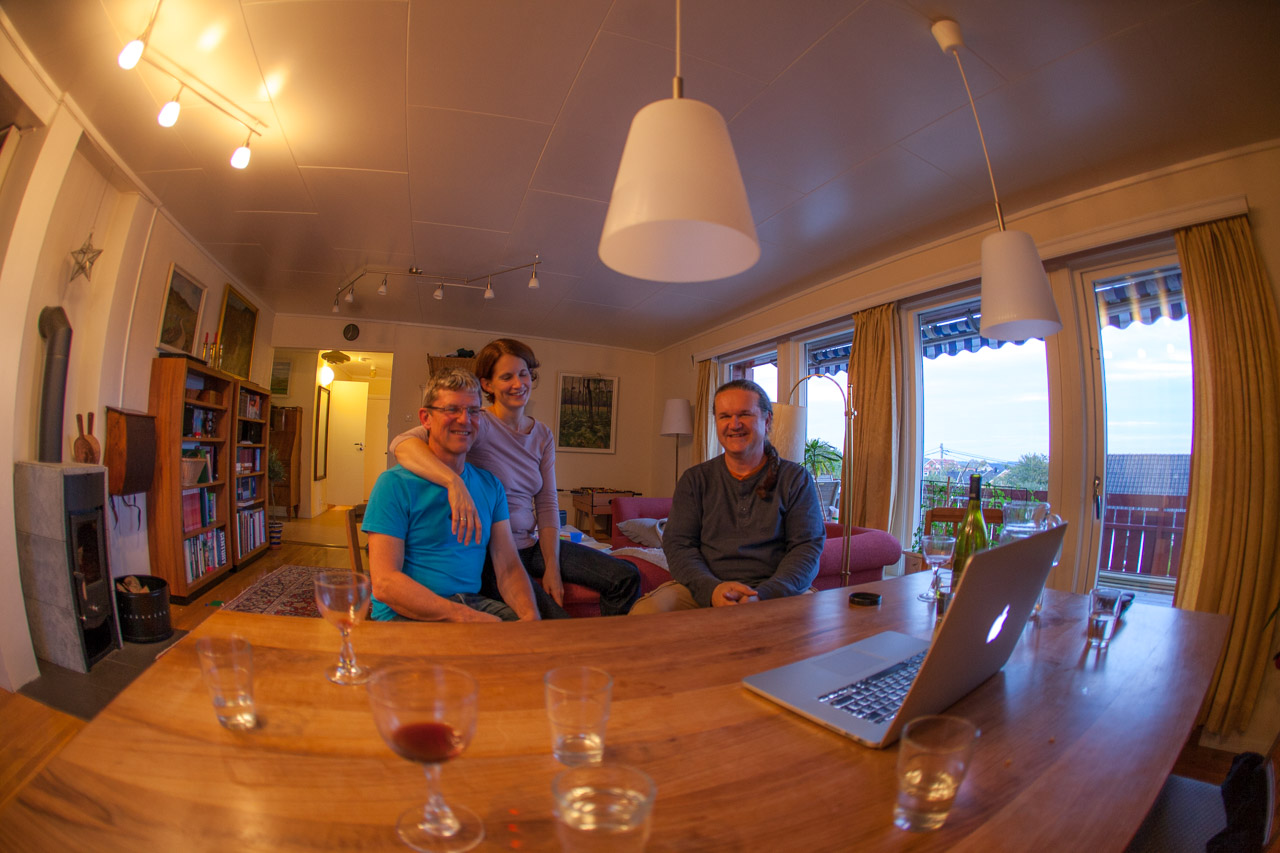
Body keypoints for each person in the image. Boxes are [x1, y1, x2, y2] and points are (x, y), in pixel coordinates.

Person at [390, 339, 640, 616]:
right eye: (506, 377)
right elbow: (401, 444)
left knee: (626, 576)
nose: (518, 383)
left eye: (523, 374)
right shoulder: (475, 422)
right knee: (556, 624)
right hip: (491, 550)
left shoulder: (542, 435)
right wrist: (453, 482)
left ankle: (614, 639)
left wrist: (552, 567)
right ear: (487, 384)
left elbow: (547, 503)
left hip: (529, 544)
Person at [630, 379, 825, 614]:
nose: (734, 424)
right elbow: (678, 545)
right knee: (644, 614)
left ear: (767, 420)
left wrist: (764, 595)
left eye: (744, 414)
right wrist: (712, 590)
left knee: (815, 623)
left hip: (779, 592)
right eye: (725, 416)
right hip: (705, 588)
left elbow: (806, 549)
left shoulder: (796, 479)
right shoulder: (695, 479)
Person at [363, 368, 540, 622]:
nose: (464, 420)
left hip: (471, 602)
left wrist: (530, 618)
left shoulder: (490, 486)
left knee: (534, 641)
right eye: (452, 409)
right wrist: (463, 616)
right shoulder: (394, 484)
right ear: (426, 418)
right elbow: (385, 583)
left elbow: (509, 567)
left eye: (473, 411)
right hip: (405, 614)